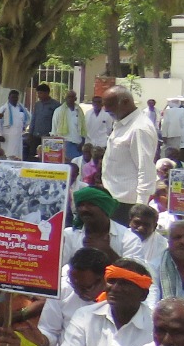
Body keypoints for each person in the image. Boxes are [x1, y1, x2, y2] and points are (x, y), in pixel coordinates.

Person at [103, 86, 160, 222]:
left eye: (110, 105)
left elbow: (146, 169)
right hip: (114, 198)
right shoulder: (122, 123)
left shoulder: (139, 128)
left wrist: (140, 208)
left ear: (125, 102)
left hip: (127, 204)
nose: (106, 109)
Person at [63, 186, 143, 264]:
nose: (84, 209)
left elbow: (133, 274)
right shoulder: (68, 235)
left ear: (105, 207)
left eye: (91, 204)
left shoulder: (129, 239)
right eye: (81, 205)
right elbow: (57, 267)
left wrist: (107, 251)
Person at [0, 89, 32, 161]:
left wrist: (24, 127)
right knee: (8, 154)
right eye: (13, 97)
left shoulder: (21, 108)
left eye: (16, 97)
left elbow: (29, 118)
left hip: (18, 135)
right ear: (9, 98)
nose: (15, 99)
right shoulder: (3, 109)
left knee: (18, 154)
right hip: (7, 136)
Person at [54, 90, 89, 160]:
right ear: (65, 98)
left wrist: (82, 141)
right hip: (66, 143)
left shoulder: (79, 110)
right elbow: (54, 128)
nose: (70, 99)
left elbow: (83, 127)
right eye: (68, 97)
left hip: (78, 143)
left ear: (75, 99)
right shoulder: (58, 111)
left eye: (72, 97)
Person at [31, 84, 62, 159]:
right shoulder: (37, 104)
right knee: (33, 157)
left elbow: (58, 122)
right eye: (38, 93)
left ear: (47, 93)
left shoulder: (56, 105)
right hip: (36, 136)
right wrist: (30, 133)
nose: (39, 95)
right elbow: (33, 119)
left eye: (40, 93)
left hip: (48, 137)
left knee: (48, 157)